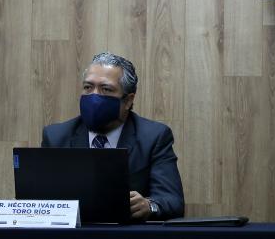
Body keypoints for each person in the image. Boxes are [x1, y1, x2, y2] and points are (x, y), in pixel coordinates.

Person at [41, 52, 184, 220]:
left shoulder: (154, 137)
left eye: (106, 89)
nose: (94, 96)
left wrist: (149, 206)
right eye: (88, 87)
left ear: (128, 101)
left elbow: (173, 201)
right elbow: (40, 200)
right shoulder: (56, 137)